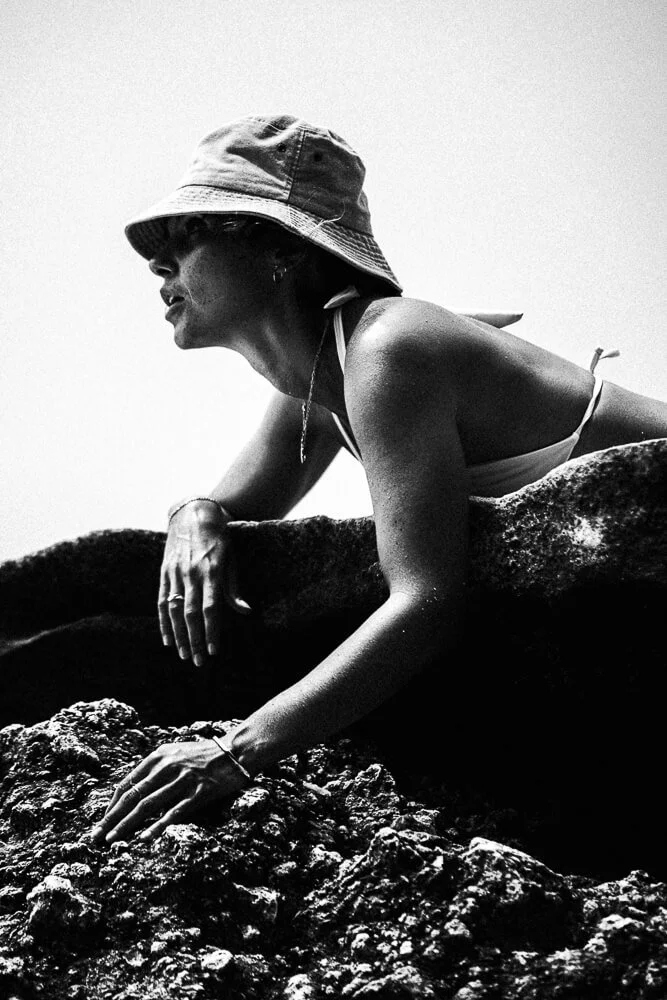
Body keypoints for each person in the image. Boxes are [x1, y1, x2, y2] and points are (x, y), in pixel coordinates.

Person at [92, 114, 667, 845]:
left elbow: (426, 601)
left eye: (187, 237)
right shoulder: (320, 380)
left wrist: (238, 750)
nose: (158, 267)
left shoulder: (388, 347)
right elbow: (234, 503)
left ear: (277, 250)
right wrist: (191, 516)